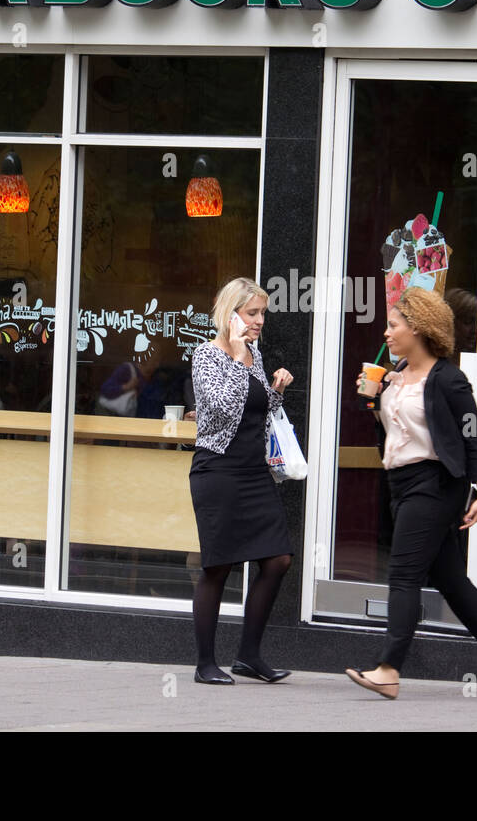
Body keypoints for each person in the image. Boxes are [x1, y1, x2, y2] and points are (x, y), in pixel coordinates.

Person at [346, 287, 477, 699]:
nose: (387, 333)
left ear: (419, 329)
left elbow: (471, 434)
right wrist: (374, 402)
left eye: (394, 325)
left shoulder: (448, 379)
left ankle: (389, 668)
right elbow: (395, 432)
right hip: (400, 483)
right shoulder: (396, 376)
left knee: (403, 573)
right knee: (449, 579)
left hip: (436, 484)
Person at [188, 277, 294, 685]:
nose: (260, 321)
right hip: (218, 472)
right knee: (218, 566)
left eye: (262, 313)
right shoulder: (207, 355)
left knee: (279, 558)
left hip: (253, 471)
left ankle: (249, 655)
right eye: (252, 313)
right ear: (230, 315)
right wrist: (234, 354)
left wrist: (277, 390)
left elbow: (256, 410)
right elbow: (220, 407)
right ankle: (205, 664)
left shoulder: (256, 354)